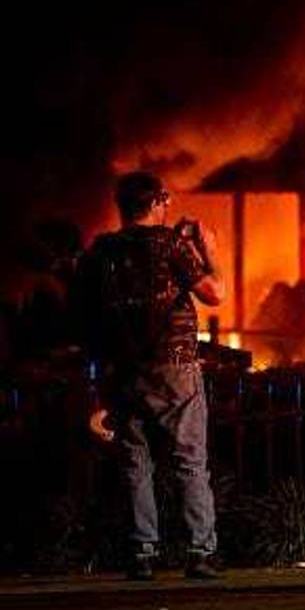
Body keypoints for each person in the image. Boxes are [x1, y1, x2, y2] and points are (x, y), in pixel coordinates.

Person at [75, 171, 226, 580]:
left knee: (135, 462)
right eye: (165, 201)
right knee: (190, 461)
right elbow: (215, 293)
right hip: (175, 365)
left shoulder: (100, 253)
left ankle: (142, 552)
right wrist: (208, 250)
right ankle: (199, 551)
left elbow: (86, 318)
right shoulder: (171, 244)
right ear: (157, 203)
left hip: (124, 369)